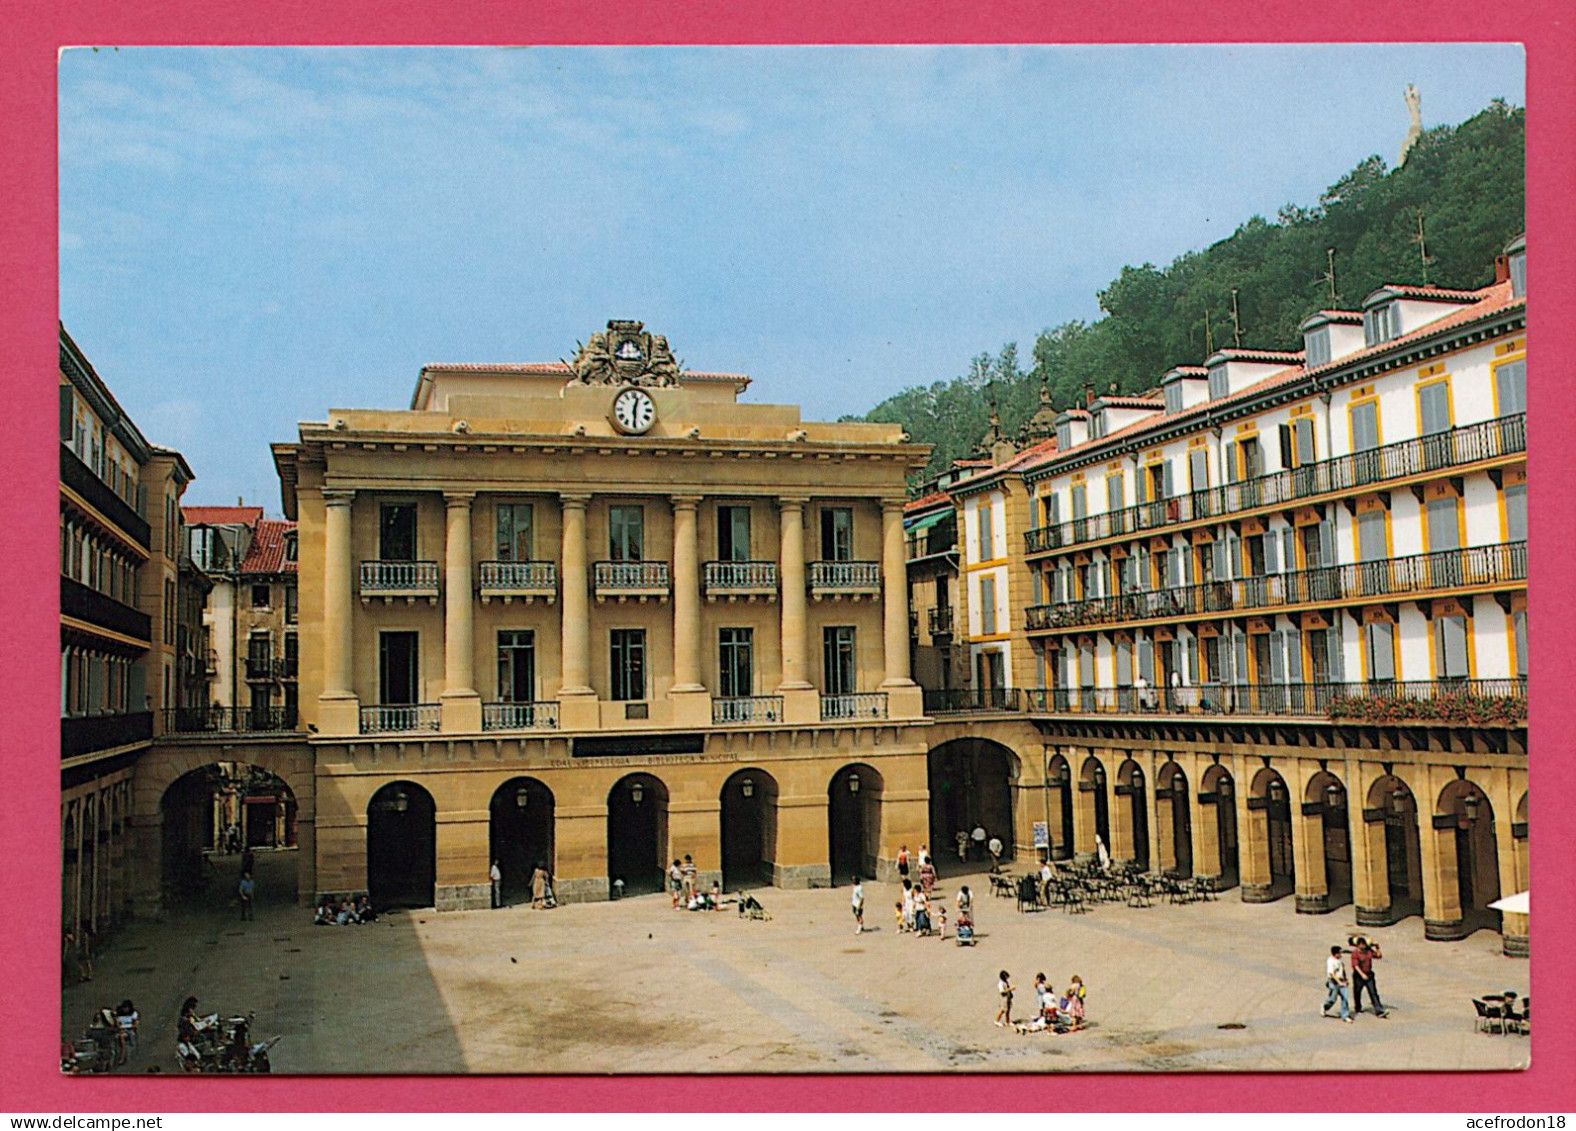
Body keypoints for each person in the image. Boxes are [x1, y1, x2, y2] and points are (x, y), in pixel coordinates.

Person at [1349, 936, 1389, 1018]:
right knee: (1357, 992)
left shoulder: (1369, 951)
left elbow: (1378, 956)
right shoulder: (1355, 953)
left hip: (1369, 974)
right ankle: (1358, 1007)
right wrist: (1362, 974)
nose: (1364, 946)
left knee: (1373, 992)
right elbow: (1355, 965)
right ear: (1359, 945)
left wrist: (1377, 948)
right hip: (1358, 976)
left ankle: (1379, 1010)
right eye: (1362, 944)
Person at [1322, 944, 1354, 1023]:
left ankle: (1345, 1015)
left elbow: (1342, 969)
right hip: (1333, 982)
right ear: (1335, 954)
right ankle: (1324, 1007)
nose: (1341, 954)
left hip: (1341, 981)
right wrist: (1338, 982)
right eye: (1339, 953)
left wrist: (1345, 979)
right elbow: (1331, 974)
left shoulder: (1340, 960)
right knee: (1332, 999)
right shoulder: (1330, 961)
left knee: (1345, 998)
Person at [114, 999, 139, 1064]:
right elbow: (117, 1024)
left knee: (122, 1037)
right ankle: (120, 1052)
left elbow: (135, 1025)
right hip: (121, 1030)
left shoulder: (134, 1014)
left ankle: (122, 1057)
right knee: (119, 1036)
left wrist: (127, 1027)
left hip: (129, 1030)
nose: (125, 1010)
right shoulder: (119, 1015)